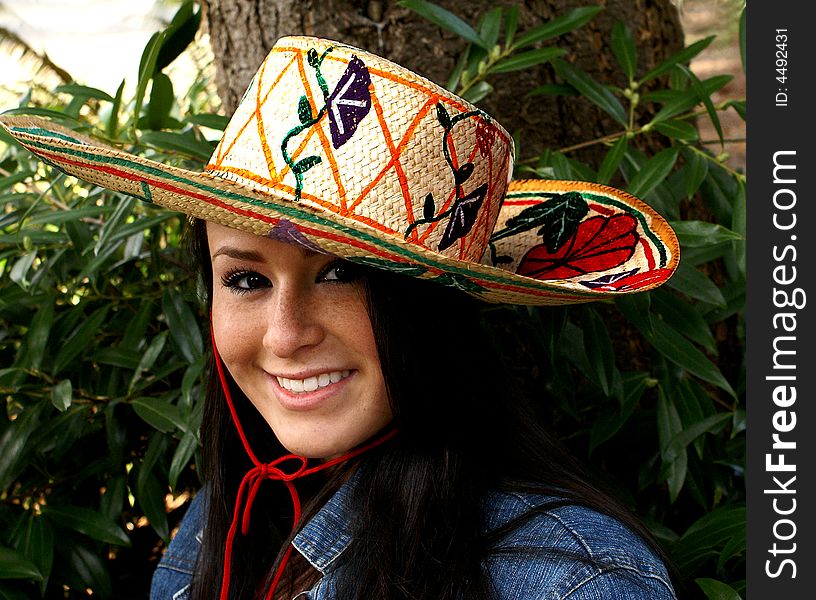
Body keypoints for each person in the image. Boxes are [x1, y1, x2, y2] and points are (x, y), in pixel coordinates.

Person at [0, 36, 680, 600]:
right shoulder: (222, 516)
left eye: (342, 274)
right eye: (245, 279)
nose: (286, 334)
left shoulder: (571, 581)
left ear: (430, 313)